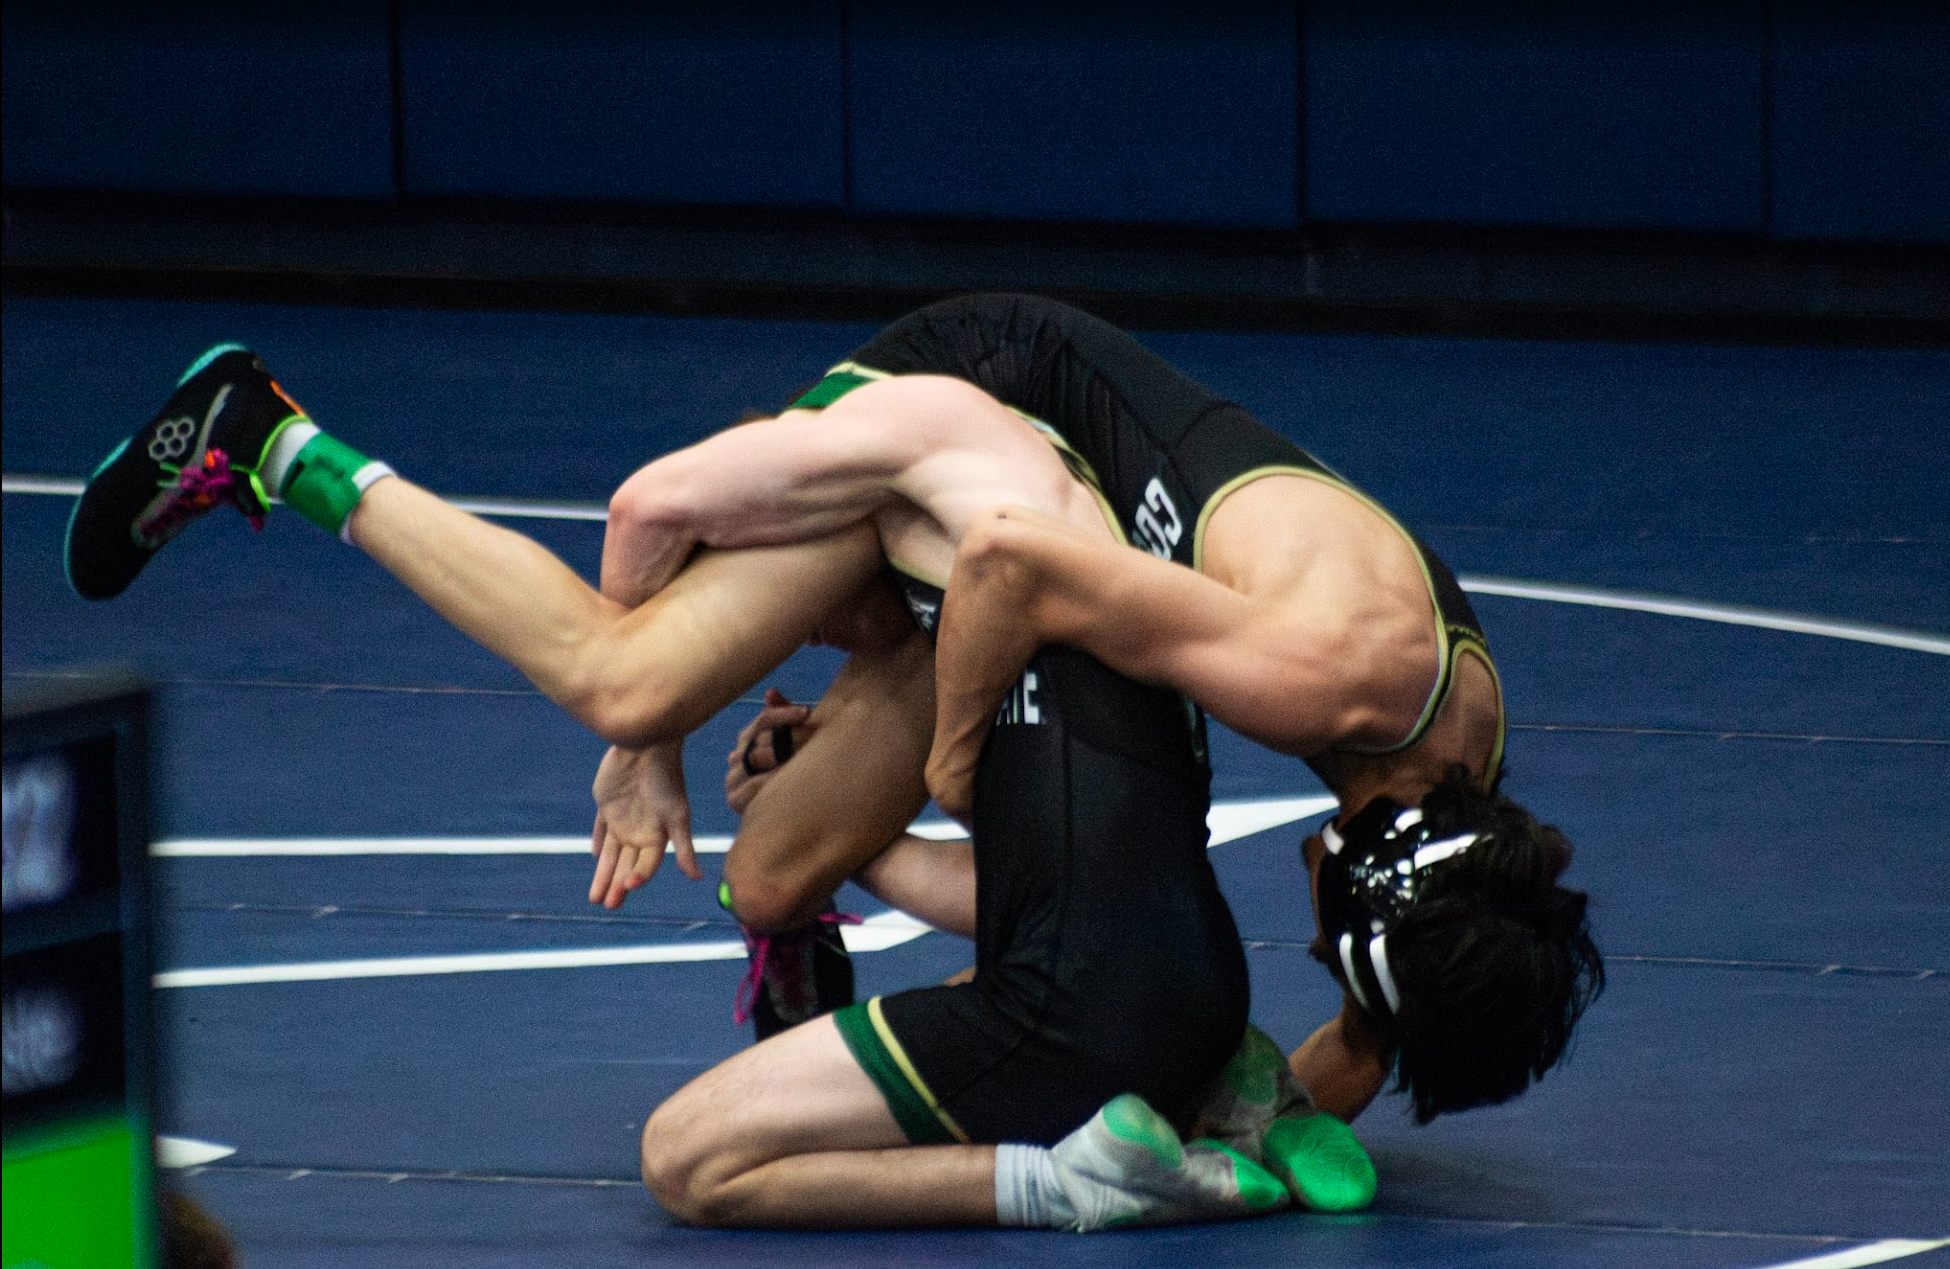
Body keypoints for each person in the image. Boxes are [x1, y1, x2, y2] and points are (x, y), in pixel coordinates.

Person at [64, 341, 1375, 1228]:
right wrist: (880, 823)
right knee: (782, 864)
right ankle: (1240, 1089)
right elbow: (1030, 870)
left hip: (1081, 1016)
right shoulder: (1054, 550)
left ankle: (1069, 1179)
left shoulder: (910, 453)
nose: (788, 632)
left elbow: (646, 512)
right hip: (1191, 986)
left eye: (784, 603)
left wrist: (647, 750)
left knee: (686, 1156)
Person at [600, 294, 1604, 1124]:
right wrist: (950, 758)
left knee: (774, 872)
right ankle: (703, 719)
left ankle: (832, 841)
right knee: (761, 612)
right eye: (1323, 942)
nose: (1306, 893)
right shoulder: (1319, 677)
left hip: (1064, 553)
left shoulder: (1455, 847)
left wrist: (1272, 1136)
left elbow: (1356, 1047)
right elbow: (1005, 560)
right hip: (991, 392)